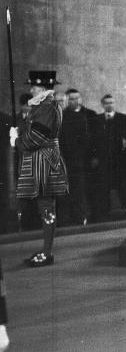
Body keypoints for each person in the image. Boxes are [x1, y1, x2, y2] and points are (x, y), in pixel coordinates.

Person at [12, 71, 69, 267]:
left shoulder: (47, 107)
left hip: (43, 162)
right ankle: (46, 250)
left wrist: (17, 140)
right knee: (45, 208)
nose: (31, 90)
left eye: (34, 87)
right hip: (41, 161)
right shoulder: (44, 106)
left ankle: (47, 252)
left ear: (43, 88)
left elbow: (36, 138)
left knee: (46, 208)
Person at [87, 94, 126, 219]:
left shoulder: (123, 118)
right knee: (104, 188)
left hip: (119, 160)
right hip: (103, 161)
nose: (110, 105)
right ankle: (105, 213)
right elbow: (92, 140)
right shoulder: (97, 120)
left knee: (123, 188)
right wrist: (94, 157)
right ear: (102, 105)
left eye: (112, 102)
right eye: (107, 103)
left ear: (115, 104)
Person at [59, 88, 92, 226]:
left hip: (82, 159)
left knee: (81, 190)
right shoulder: (62, 116)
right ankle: (72, 217)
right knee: (70, 191)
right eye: (71, 98)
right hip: (68, 159)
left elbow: (88, 139)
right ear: (67, 100)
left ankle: (81, 217)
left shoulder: (86, 115)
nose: (75, 101)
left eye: (77, 98)